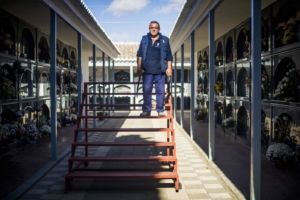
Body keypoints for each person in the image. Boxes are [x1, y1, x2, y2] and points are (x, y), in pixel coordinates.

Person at [136, 21, 173, 117]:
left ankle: (160, 110)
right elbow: (139, 55)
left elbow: (169, 56)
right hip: (147, 71)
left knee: (160, 91)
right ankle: (147, 110)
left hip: (160, 71)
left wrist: (169, 68)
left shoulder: (165, 40)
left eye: (155, 27)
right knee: (146, 90)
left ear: (159, 29)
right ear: (149, 29)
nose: (153, 29)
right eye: (151, 27)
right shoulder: (144, 39)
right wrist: (139, 68)